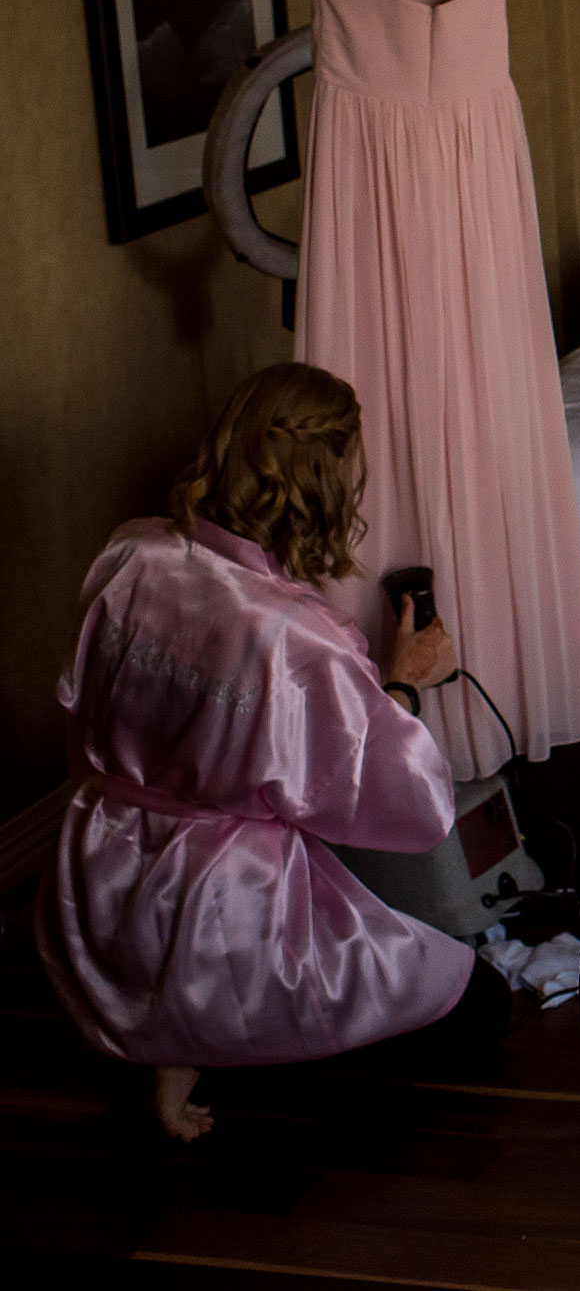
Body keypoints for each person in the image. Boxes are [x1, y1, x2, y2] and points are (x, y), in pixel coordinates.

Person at [40, 363, 505, 1144]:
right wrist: (404, 684)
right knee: (481, 1001)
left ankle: (175, 1032)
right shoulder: (298, 638)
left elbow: (76, 708)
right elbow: (411, 805)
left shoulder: (132, 555)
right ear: (325, 488)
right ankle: (204, 1031)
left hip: (93, 880)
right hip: (214, 908)